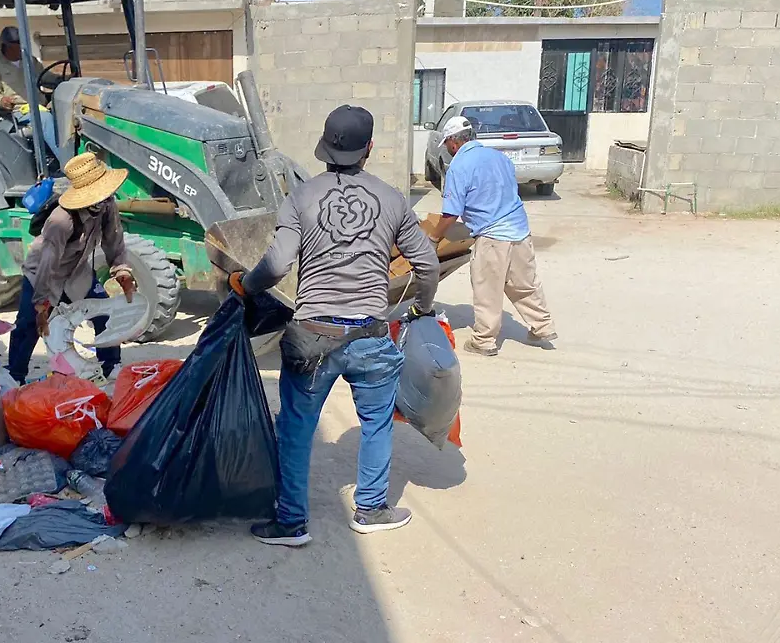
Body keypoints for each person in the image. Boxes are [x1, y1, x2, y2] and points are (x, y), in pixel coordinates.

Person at [231, 105, 440, 547]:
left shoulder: (300, 198)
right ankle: (371, 509)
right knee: (377, 423)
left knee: (296, 427)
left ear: (324, 147)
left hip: (312, 337)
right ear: (370, 148)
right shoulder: (393, 199)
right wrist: (422, 308)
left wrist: (245, 287)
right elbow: (427, 265)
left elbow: (276, 265)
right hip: (370, 336)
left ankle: (290, 523)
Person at [428, 115, 556, 356]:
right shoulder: (499, 158)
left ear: (454, 141)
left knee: (487, 288)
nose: (447, 149)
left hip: (492, 236)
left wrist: (433, 238)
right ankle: (543, 327)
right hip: (519, 230)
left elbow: (450, 213)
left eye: (447, 144)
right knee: (524, 283)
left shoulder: (459, 166)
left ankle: (484, 341)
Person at [6, 152, 136, 384]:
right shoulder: (61, 220)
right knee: (28, 325)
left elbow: (113, 240)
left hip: (78, 272)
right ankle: (15, 376)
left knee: (104, 313)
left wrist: (122, 271)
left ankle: (110, 364)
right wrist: (42, 306)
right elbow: (47, 263)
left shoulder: (106, 205)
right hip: (44, 275)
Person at [0, 26, 61, 160]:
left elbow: (45, 78)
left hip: (40, 105)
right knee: (44, 119)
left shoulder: (30, 61)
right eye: (17, 44)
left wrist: (63, 79)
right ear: (7, 46)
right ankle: (68, 163)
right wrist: (2, 101)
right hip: (18, 111)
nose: (21, 48)